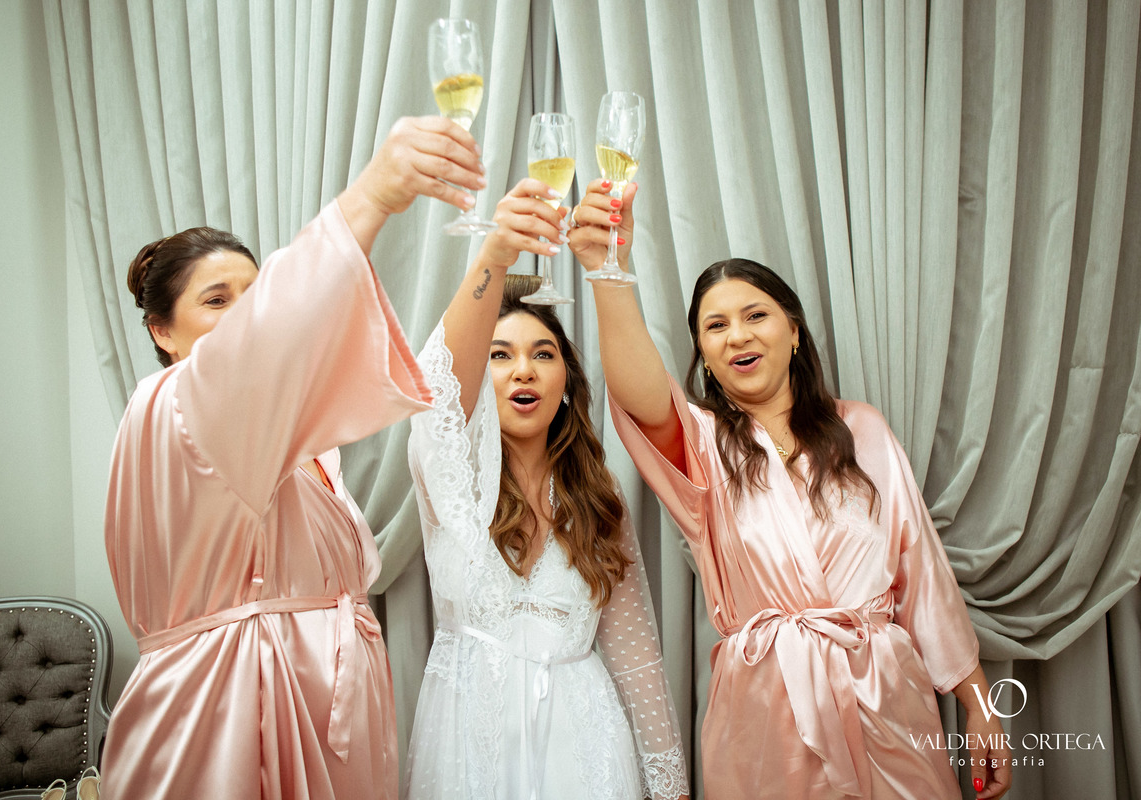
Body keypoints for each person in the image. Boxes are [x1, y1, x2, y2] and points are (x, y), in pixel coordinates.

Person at [566, 181, 1013, 800]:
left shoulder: (863, 431)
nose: (738, 336)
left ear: (794, 331)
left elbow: (925, 580)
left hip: (885, 699)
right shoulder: (703, 445)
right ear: (703, 354)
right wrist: (608, 270)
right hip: (766, 710)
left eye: (756, 316)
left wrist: (980, 706)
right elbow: (642, 395)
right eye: (716, 326)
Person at [99, 117, 486, 800]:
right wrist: (373, 195)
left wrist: (495, 257)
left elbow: (436, 384)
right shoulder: (169, 409)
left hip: (324, 713)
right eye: (217, 301)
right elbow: (268, 337)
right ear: (162, 331)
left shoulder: (302, 445)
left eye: (253, 298)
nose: (244, 317)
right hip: (225, 713)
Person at [402, 179, 690, 799]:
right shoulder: (450, 480)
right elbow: (438, 392)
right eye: (500, 356)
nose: (524, 370)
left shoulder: (596, 496)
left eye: (543, 354)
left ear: (565, 382)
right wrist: (496, 253)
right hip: (470, 749)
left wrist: (670, 786)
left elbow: (635, 654)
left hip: (587, 752)